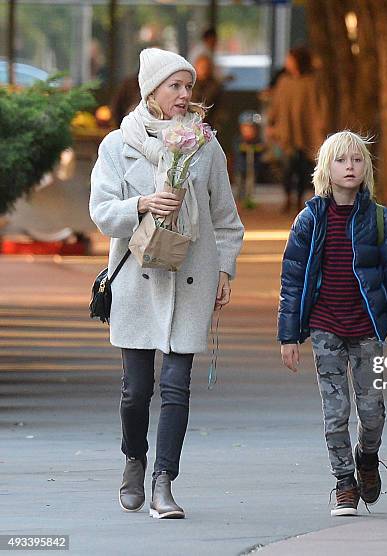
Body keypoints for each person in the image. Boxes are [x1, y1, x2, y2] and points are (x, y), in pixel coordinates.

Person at [89, 48, 244, 520]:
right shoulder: (118, 145)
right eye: (174, 86)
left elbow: (227, 221)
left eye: (188, 87)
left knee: (177, 386)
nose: (183, 96)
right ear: (150, 90)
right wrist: (142, 205)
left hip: (191, 278)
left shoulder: (205, 146)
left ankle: (164, 482)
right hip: (138, 279)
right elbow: (101, 213)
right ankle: (134, 460)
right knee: (136, 391)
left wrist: (224, 270)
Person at [277, 131, 387, 516]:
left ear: (366, 168)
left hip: (367, 328)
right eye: (341, 161)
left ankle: (367, 459)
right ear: (326, 168)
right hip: (325, 327)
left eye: (357, 160)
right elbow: (291, 279)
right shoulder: (310, 220)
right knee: (335, 412)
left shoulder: (382, 220)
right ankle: (343, 482)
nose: (350, 167)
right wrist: (289, 335)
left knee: (372, 412)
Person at [267, 46, 325, 212]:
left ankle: (299, 198)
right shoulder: (284, 82)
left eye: (290, 59)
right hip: (286, 131)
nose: (287, 62)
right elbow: (276, 105)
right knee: (287, 166)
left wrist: (319, 127)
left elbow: (318, 106)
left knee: (302, 166)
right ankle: (287, 196)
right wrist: (271, 123)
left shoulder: (312, 82)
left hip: (305, 132)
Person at [191, 54, 223, 128]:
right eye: (201, 67)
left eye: (206, 67)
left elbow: (220, 111)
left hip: (209, 125)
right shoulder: (189, 84)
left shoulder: (215, 87)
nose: (204, 70)